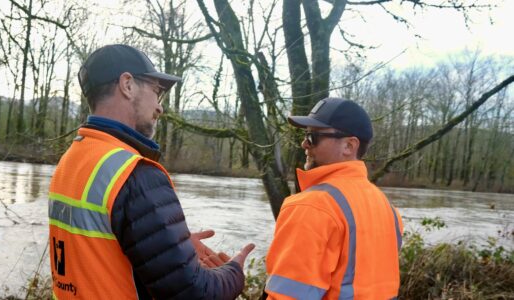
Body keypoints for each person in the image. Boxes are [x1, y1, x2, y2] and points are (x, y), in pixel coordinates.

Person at [48, 44, 254, 299]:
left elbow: (97, 251)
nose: (160, 108)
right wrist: (234, 271)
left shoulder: (72, 159)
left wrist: (165, 244)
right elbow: (195, 294)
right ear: (127, 85)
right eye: (157, 92)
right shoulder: (135, 174)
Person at [263, 98, 403, 299]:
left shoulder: (312, 206)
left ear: (348, 145)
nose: (304, 143)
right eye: (305, 135)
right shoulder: (387, 208)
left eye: (313, 137)